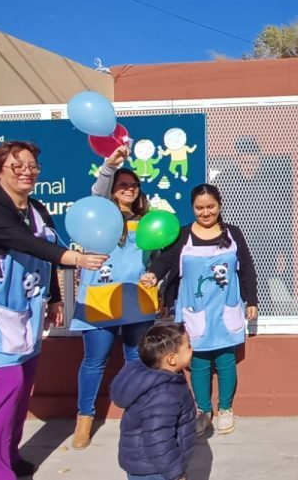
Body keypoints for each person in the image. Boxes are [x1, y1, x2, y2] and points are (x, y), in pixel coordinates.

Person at [0, 140, 107, 480]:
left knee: (22, 385)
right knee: (6, 387)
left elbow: (46, 250)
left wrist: (55, 296)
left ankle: (8, 457)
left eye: (32, 166)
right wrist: (75, 259)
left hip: (23, 309)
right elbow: (23, 242)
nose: (27, 172)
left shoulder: (37, 209)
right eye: (18, 166)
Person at [141, 183, 258, 436]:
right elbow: (166, 260)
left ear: (219, 206)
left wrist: (252, 301)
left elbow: (246, 267)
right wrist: (153, 275)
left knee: (226, 361)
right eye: (199, 208)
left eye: (210, 207)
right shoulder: (183, 235)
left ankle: (225, 409)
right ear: (192, 208)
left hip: (225, 309)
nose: (205, 213)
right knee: (199, 362)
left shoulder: (233, 234)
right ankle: (203, 411)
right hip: (194, 310)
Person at [68, 145, 159, 450]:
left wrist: (156, 275)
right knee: (95, 361)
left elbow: (157, 257)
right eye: (122, 185)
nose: (129, 190)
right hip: (99, 297)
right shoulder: (99, 215)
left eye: (133, 185)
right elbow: (97, 192)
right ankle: (84, 419)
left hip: (136, 297)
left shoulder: (147, 220)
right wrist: (110, 166)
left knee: (137, 359)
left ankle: (138, 415)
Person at [110, 322, 197, 480]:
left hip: (148, 464)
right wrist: (176, 473)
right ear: (171, 359)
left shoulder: (162, 377)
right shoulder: (163, 395)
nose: (192, 350)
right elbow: (159, 440)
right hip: (155, 470)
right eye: (188, 347)